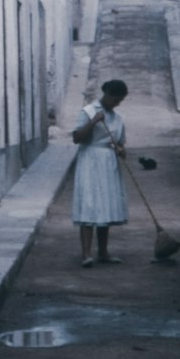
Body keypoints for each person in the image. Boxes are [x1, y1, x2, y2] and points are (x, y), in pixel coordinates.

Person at [71, 79, 128, 265]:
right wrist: (94, 122)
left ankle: (103, 253)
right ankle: (86, 254)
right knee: (89, 204)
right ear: (107, 94)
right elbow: (77, 138)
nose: (117, 103)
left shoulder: (118, 118)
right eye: (115, 99)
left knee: (106, 206)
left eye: (120, 101)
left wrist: (121, 150)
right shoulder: (88, 111)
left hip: (108, 164)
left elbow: (121, 144)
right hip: (89, 161)